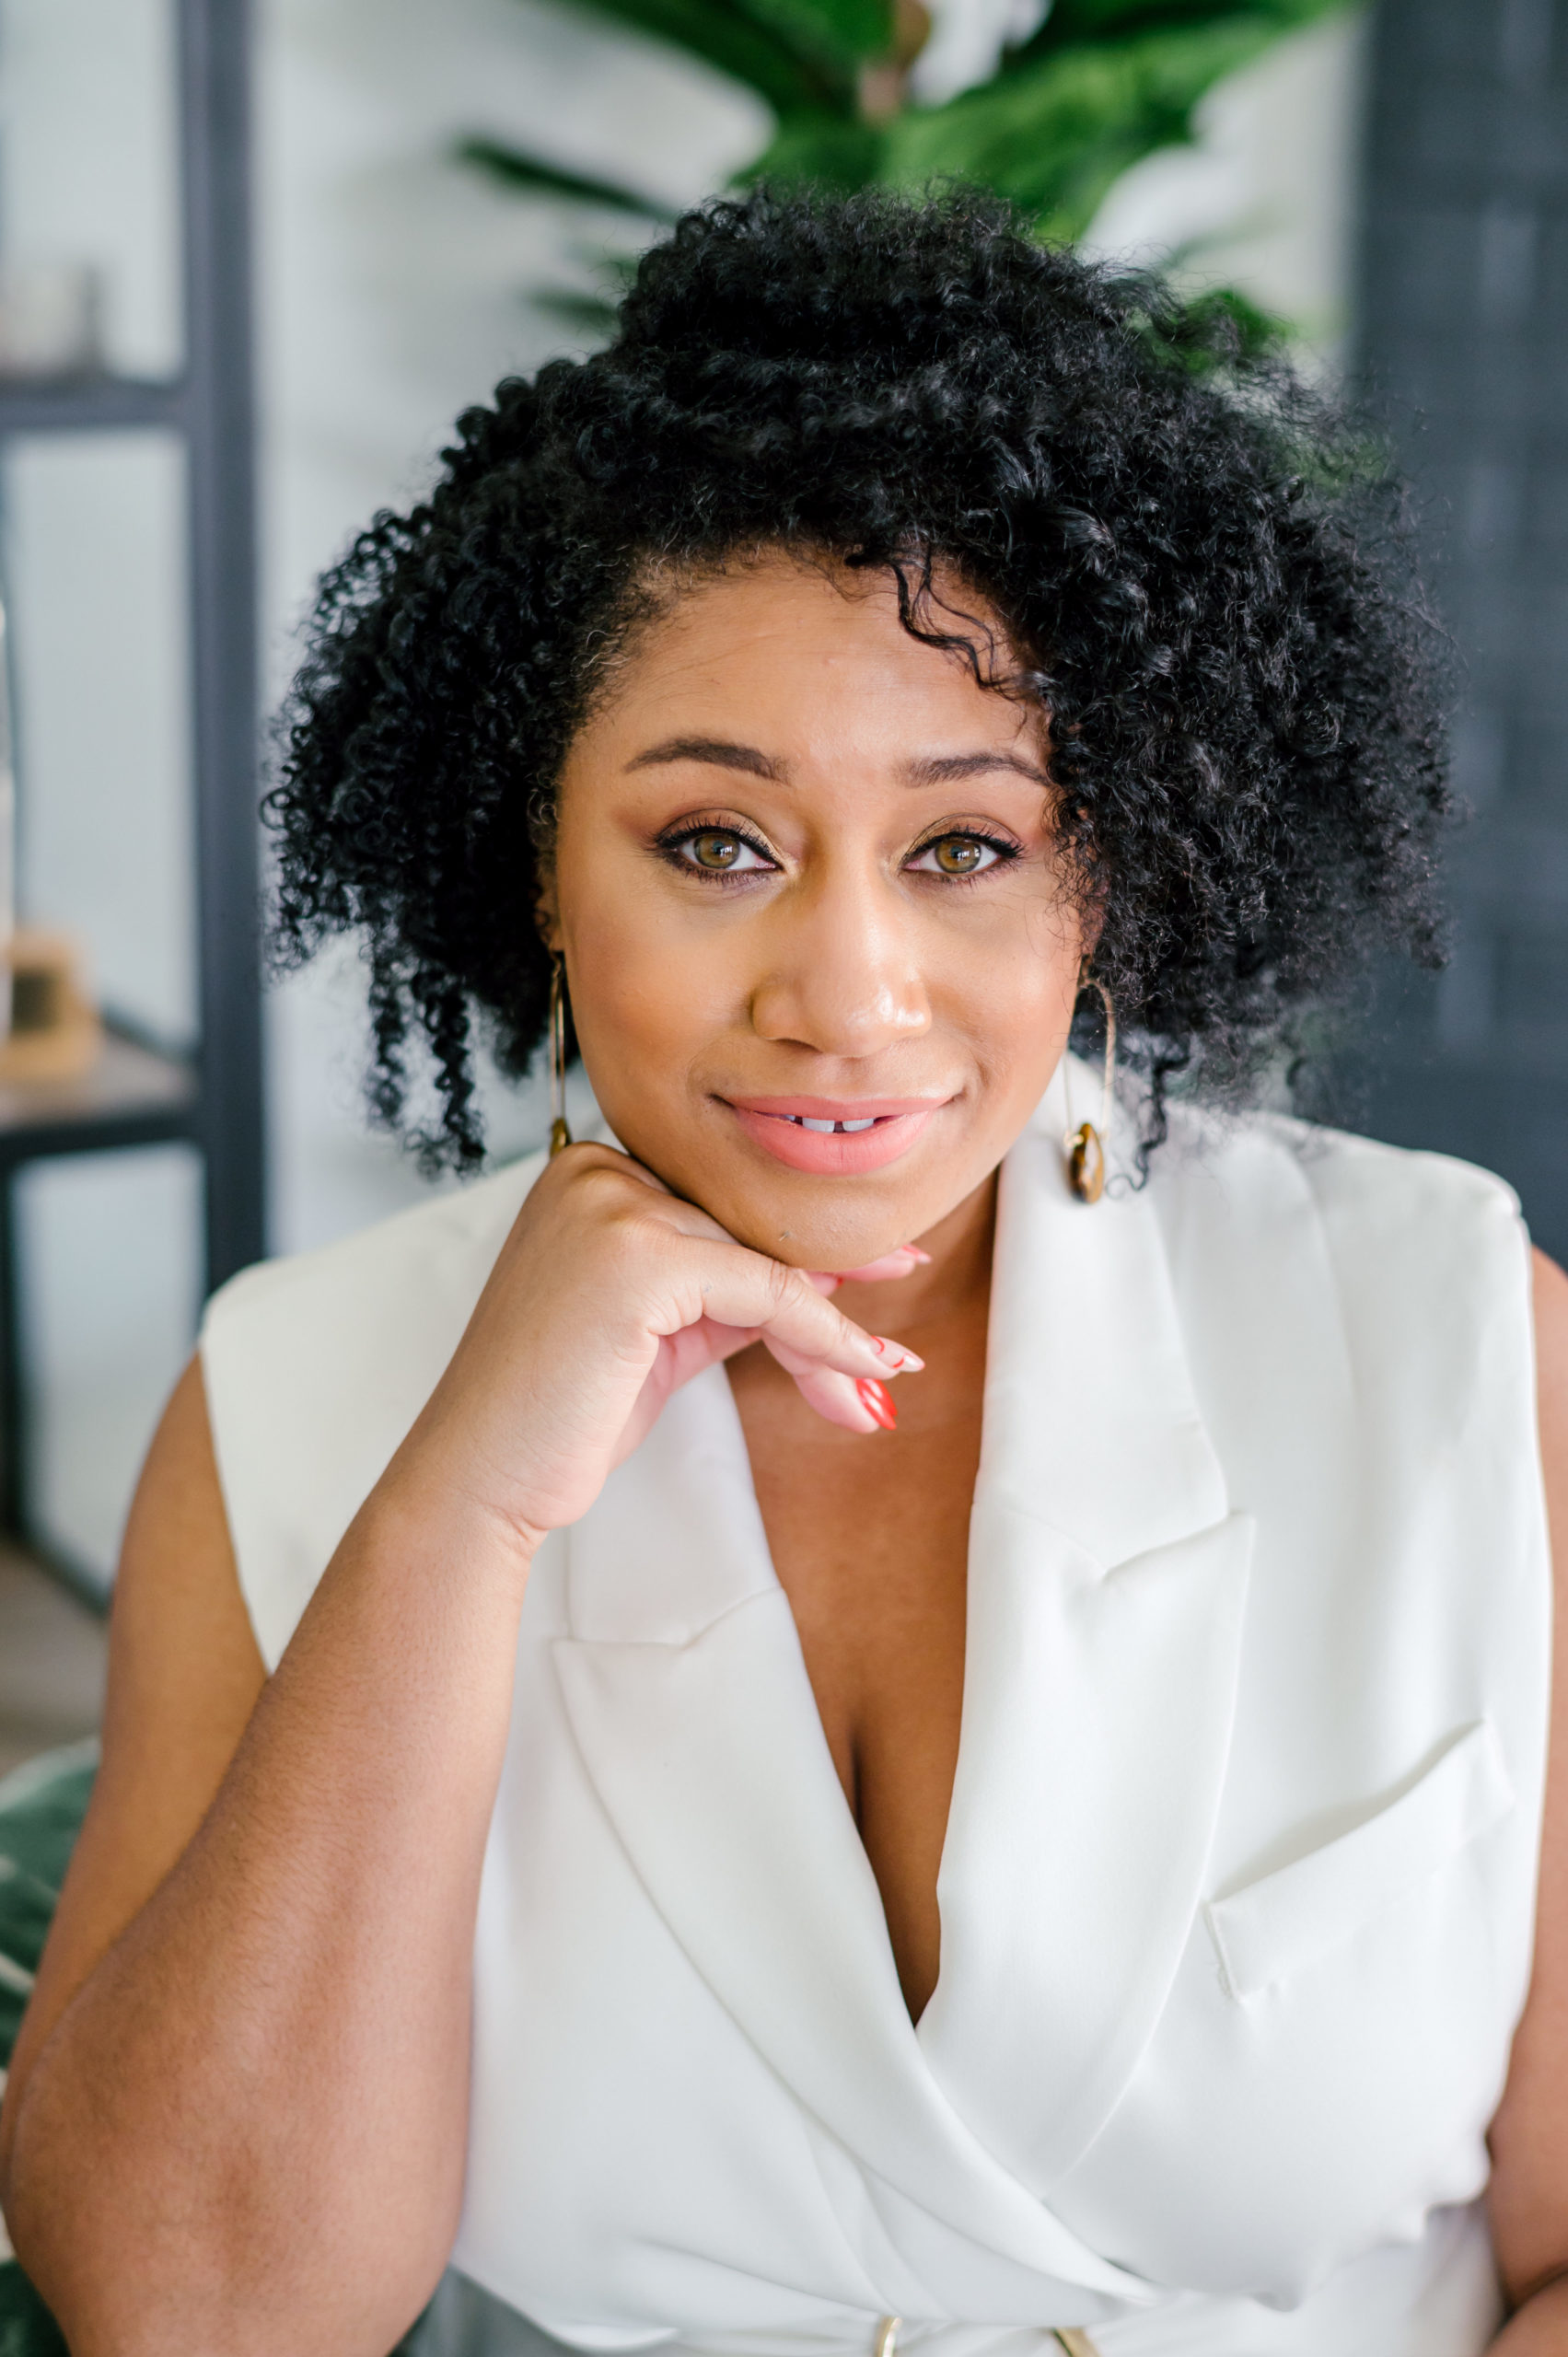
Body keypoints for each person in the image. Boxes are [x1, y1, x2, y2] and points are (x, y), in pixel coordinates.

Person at [0, 189, 1563, 2357]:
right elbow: (186, 2311)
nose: (851, 989)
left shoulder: (1461, 1343)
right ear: (539, 853)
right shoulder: (295, 1393)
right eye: (715, 841)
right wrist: (458, 1506)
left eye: (967, 846)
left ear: (1108, 875)